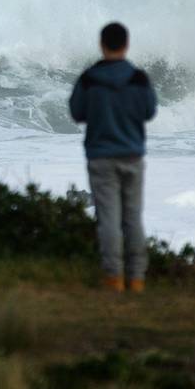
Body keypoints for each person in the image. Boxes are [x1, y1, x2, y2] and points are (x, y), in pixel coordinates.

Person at [69, 22, 158, 293]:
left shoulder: (89, 78)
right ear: (126, 45)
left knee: (108, 217)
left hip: (100, 158)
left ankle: (113, 278)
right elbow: (149, 111)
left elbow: (76, 113)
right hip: (131, 155)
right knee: (132, 217)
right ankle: (138, 278)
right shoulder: (138, 78)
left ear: (101, 44)